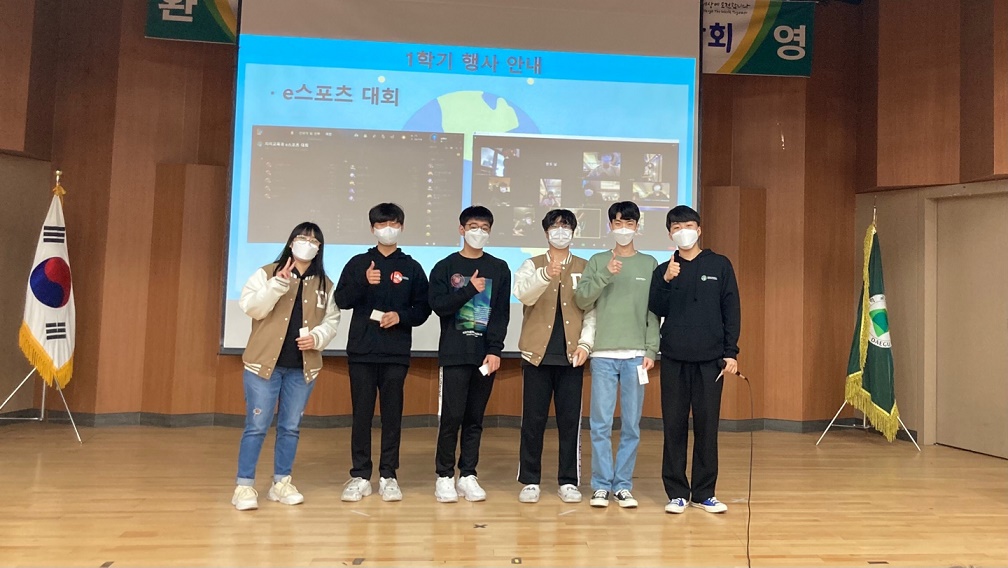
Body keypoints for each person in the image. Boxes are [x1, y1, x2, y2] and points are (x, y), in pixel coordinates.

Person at [231, 222, 340, 511]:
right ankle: (244, 486)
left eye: (314, 241)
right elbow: (252, 307)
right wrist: (277, 285)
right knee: (256, 426)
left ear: (319, 248)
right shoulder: (267, 273)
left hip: (302, 368)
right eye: (302, 238)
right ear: (291, 242)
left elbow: (332, 321)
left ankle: (281, 482)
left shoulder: (325, 284)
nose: (308, 244)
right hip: (263, 365)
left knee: (290, 427)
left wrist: (318, 337)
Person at [335, 203, 432, 503]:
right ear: (372, 228)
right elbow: (341, 299)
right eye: (381, 224)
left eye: (393, 223)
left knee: (392, 416)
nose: (387, 229)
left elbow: (423, 308)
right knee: (361, 415)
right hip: (362, 352)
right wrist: (364, 282)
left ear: (401, 227)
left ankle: (389, 475)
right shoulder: (358, 263)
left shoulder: (412, 267)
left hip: (395, 353)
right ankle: (360, 475)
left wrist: (401, 316)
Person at [648, 205, 740, 515]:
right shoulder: (665, 269)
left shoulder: (720, 265)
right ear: (670, 234)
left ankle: (704, 492)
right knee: (673, 426)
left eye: (688, 226)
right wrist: (666, 280)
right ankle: (676, 492)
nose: (683, 232)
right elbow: (656, 308)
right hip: (674, 358)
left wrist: (731, 352)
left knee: (707, 426)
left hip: (711, 361)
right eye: (676, 228)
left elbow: (731, 310)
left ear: (699, 230)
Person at [574, 201, 659, 509]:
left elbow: (653, 311)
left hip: (636, 356)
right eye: (618, 223)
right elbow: (582, 300)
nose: (624, 229)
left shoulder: (649, 263)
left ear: (637, 226)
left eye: (629, 223)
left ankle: (622, 485)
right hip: (603, 355)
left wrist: (651, 349)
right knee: (600, 423)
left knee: (632, 425)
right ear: (610, 226)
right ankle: (600, 485)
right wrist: (604, 275)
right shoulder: (598, 260)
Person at [428, 205, 511, 502]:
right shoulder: (445, 266)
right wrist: (469, 290)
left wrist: (495, 349)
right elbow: (438, 306)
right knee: (451, 417)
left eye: (485, 228)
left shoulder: (499, 268)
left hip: (484, 356)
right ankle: (444, 476)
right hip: (454, 353)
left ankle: (468, 474)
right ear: (462, 229)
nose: (479, 232)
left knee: (475, 418)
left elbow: (500, 313)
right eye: (474, 227)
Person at [512, 209, 596, 504]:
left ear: (574, 232)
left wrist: (586, 344)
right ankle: (530, 480)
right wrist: (546, 274)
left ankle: (568, 481)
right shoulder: (532, 264)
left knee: (570, 422)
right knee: (532, 421)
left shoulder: (585, 266)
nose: (561, 232)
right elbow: (523, 294)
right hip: (536, 355)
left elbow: (592, 310)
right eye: (555, 227)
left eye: (566, 227)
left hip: (572, 356)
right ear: (546, 232)